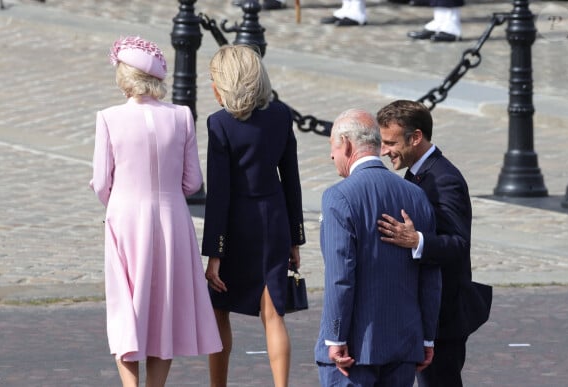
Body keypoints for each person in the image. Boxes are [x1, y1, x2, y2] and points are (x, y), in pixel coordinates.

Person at [90, 36, 222, 387]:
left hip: (125, 218)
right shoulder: (181, 116)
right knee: (163, 311)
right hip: (171, 219)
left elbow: (102, 181)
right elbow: (193, 182)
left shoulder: (108, 118)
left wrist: (120, 200)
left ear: (125, 76)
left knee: (126, 308)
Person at [201, 44, 306, 387]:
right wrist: (295, 237)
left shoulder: (219, 124)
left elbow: (218, 194)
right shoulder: (280, 115)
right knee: (273, 313)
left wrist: (214, 253)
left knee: (219, 310)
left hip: (235, 225)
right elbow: (291, 179)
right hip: (273, 219)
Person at [314, 108, 442, 386]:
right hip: (403, 344)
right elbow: (430, 274)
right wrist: (426, 337)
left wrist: (335, 338)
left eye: (333, 147)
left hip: (354, 351)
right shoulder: (416, 195)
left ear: (346, 144)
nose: (332, 156)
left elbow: (340, 276)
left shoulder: (339, 197)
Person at [376, 100, 492, 386]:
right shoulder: (418, 173)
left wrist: (416, 240)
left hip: (445, 316)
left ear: (415, 137)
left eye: (390, 142)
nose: (384, 151)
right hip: (431, 313)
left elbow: (457, 244)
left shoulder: (444, 179)